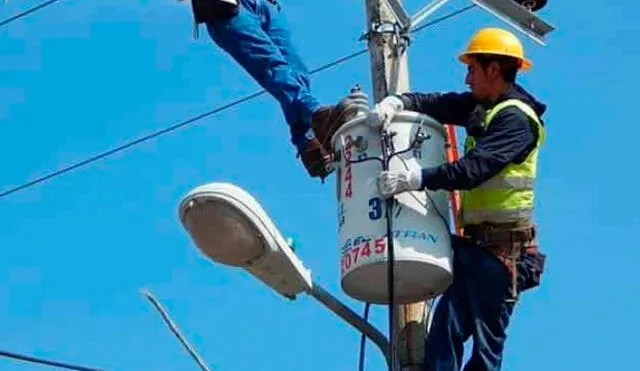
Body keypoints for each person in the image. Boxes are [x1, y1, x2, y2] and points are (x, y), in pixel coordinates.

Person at [370, 27, 548, 371]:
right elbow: (439, 104)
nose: (467, 78)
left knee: (484, 354)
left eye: (472, 69)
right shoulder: (485, 107)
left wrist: (414, 178)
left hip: (502, 255)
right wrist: (399, 102)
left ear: (493, 70)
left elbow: (473, 169)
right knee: (444, 334)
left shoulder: (516, 120)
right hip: (476, 250)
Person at [182, 0, 358, 179]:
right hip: (228, 9)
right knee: (274, 67)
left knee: (298, 72)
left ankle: (310, 146)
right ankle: (317, 118)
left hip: (267, 5)